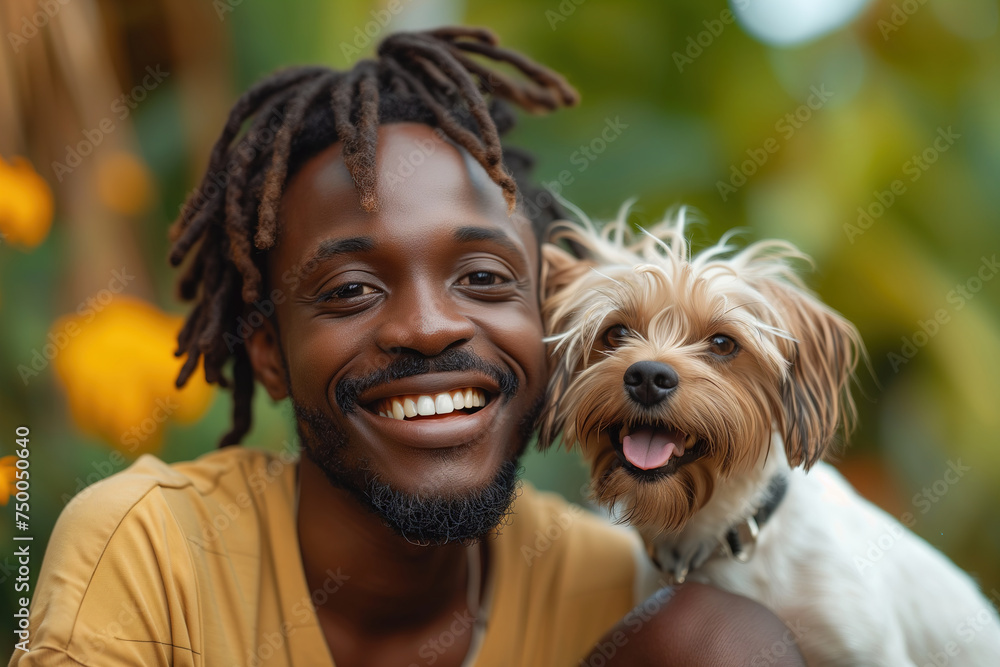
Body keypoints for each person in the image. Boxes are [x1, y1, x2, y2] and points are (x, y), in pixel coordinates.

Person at [12, 27, 805, 666]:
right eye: (352, 289)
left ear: (548, 319)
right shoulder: (153, 556)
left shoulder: (623, 587)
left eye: (486, 277)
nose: (429, 326)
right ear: (266, 352)